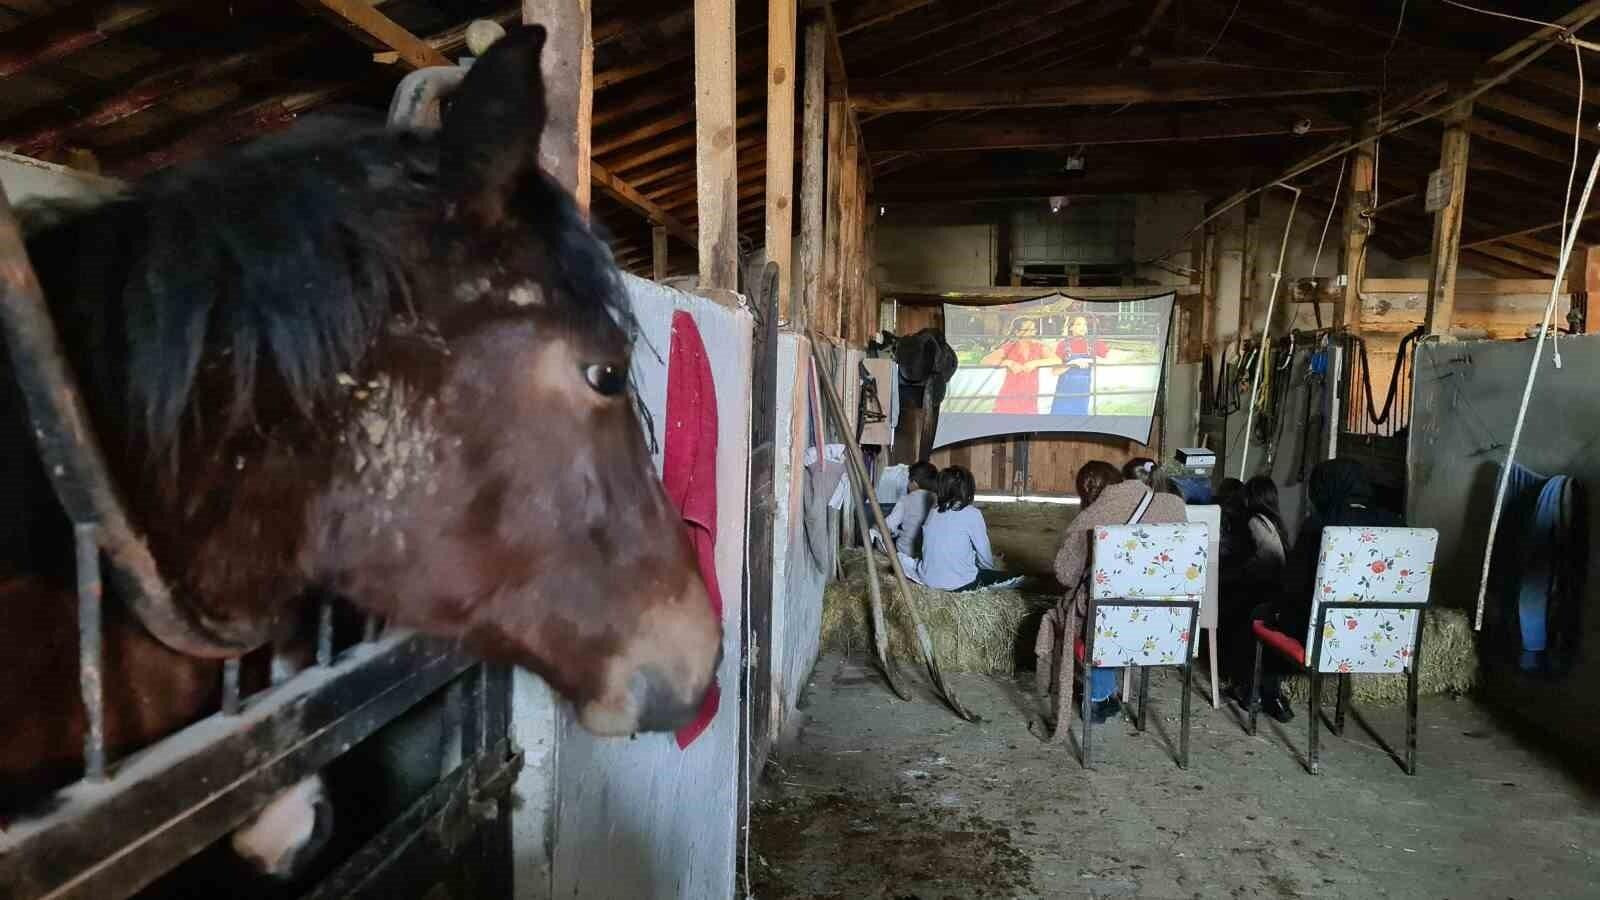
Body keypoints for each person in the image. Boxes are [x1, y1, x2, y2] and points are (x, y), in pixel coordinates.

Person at [1250, 460, 1402, 717]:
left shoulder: (1319, 525)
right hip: (1385, 639)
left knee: (1261, 611)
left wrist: (1278, 610)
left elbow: (1293, 587)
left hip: (1324, 635)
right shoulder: (1397, 525)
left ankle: (1265, 693)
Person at [1041, 460, 1186, 728]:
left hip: (1111, 629)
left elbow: (1064, 573)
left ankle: (1096, 698)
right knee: (1116, 604)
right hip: (1168, 630)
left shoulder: (1095, 515)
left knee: (1095, 607)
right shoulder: (1175, 506)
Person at [1217, 476, 1292, 720]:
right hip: (1279, 595)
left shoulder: (1253, 521)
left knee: (1229, 610)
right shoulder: (1277, 523)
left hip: (1261, 593)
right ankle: (1266, 693)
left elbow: (1259, 562)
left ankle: (1247, 690)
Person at [902, 466, 1008, 591]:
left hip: (928, 579)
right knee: (1014, 578)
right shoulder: (972, 513)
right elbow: (985, 559)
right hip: (959, 584)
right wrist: (989, 569)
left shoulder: (933, 512)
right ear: (968, 489)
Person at [980, 318, 1059, 414]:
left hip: (1029, 400)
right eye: (1026, 330)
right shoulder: (1010, 346)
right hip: (1008, 399)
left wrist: (1035, 363)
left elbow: (1057, 360)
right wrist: (1008, 362)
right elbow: (984, 361)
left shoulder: (1038, 347)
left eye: (1033, 330)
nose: (1031, 333)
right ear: (1017, 332)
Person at [1050, 315, 1109, 415]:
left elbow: (1109, 361)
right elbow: (1054, 371)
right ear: (1071, 327)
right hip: (1064, 393)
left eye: (1085, 324)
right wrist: (1072, 364)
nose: (1083, 327)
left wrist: (1092, 361)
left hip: (1083, 393)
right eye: (1078, 324)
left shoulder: (1093, 343)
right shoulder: (1062, 345)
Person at [881, 461, 938, 557]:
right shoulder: (939, 500)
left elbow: (887, 526)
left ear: (914, 483)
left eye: (909, 481)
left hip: (905, 556)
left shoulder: (905, 500)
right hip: (930, 558)